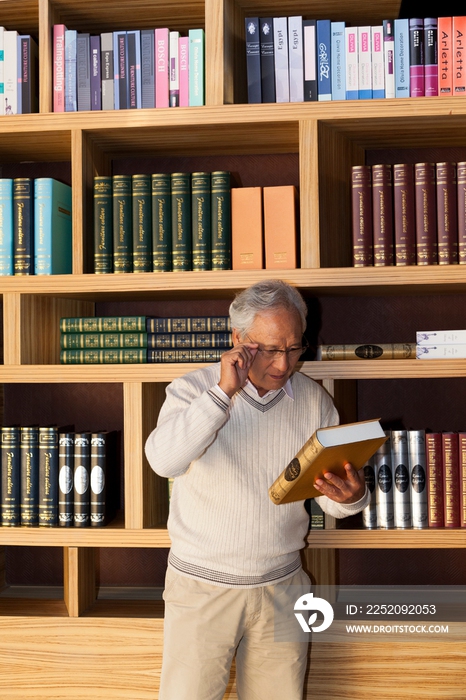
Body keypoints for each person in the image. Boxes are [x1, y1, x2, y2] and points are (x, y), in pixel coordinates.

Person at [145, 279, 369, 700]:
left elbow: (327, 498)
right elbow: (163, 461)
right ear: (238, 340)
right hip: (201, 590)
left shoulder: (313, 401)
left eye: (294, 347)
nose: (284, 364)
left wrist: (349, 497)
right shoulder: (194, 389)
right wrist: (222, 395)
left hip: (282, 591)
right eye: (269, 349)